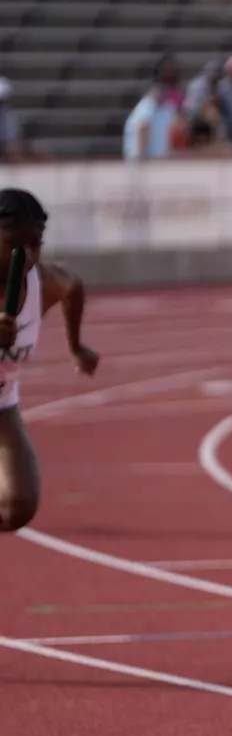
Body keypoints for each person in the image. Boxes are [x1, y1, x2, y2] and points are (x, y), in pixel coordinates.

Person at [0, 189, 99, 532]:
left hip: (2, 404)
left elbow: (73, 286)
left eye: (36, 243)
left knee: (18, 508)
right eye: (15, 242)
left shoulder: (43, 281)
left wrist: (77, 346)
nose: (27, 254)